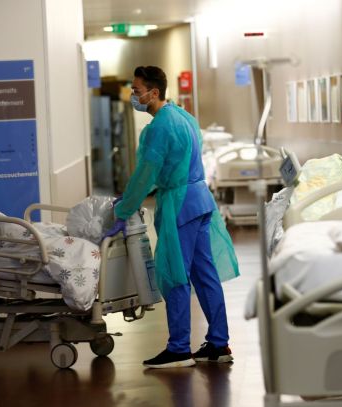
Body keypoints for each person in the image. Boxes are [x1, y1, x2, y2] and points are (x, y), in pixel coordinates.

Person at [103, 66, 239, 369]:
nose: (133, 96)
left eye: (137, 91)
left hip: (180, 205)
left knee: (175, 274)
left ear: (153, 93)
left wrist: (123, 209)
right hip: (200, 201)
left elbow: (146, 173)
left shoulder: (159, 128)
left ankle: (179, 348)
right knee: (205, 275)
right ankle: (219, 344)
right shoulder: (183, 116)